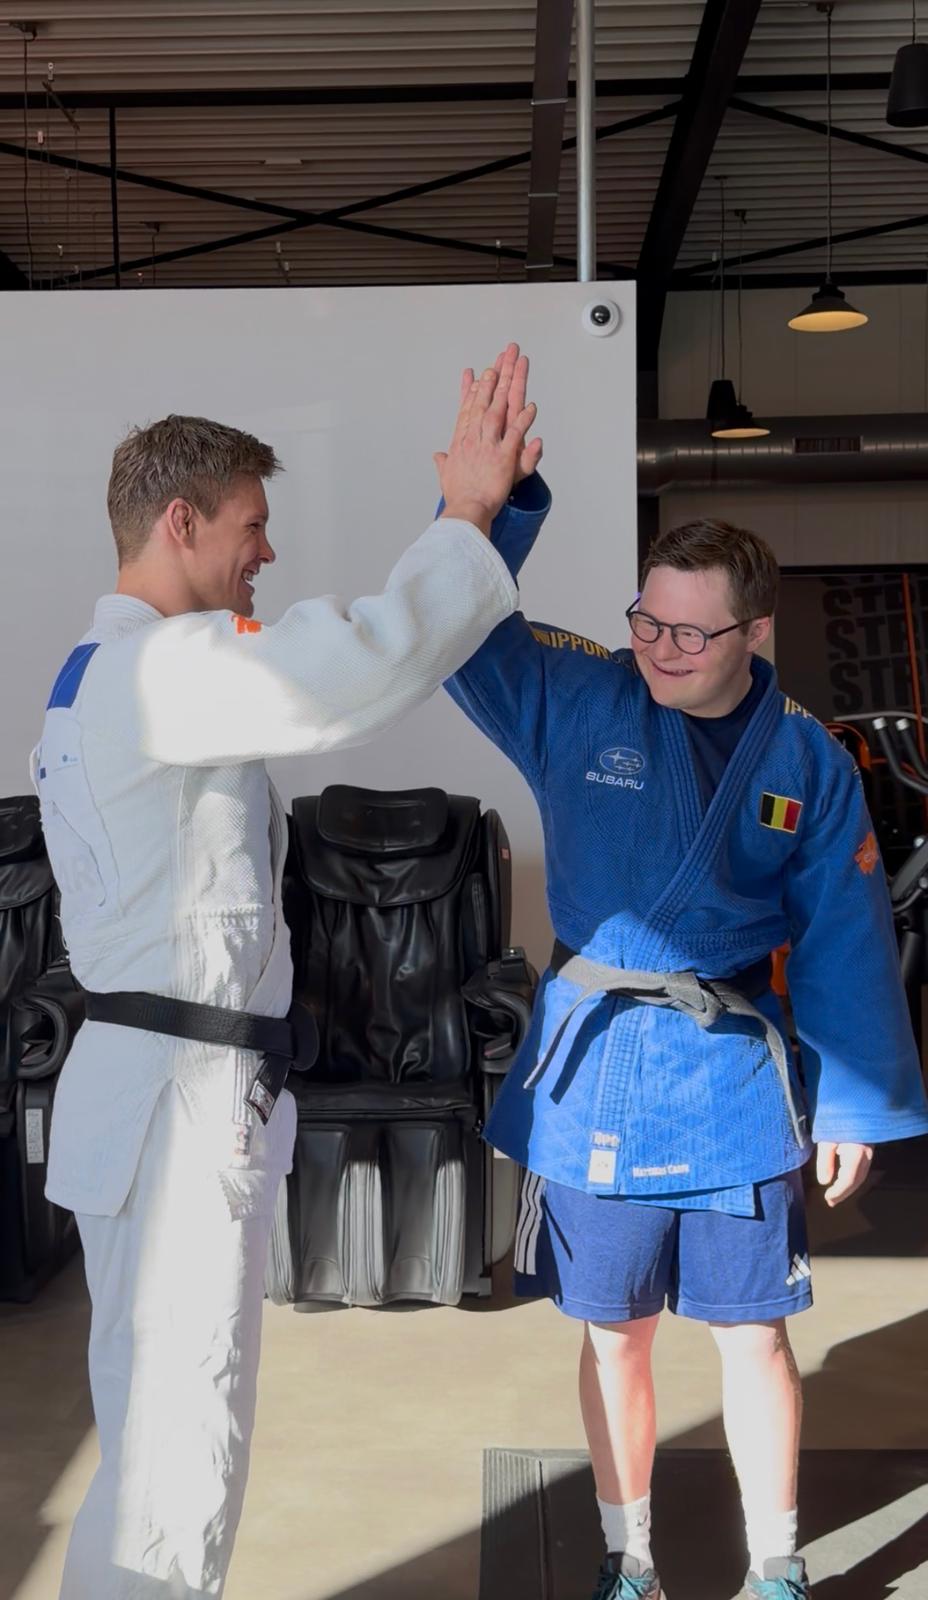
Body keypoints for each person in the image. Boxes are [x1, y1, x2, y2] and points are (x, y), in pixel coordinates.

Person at [33, 343, 542, 1599]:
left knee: (155, 1439)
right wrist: (465, 516)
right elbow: (347, 668)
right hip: (175, 1100)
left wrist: (482, 531)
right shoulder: (159, 671)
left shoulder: (99, 677)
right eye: (251, 526)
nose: (266, 553)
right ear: (180, 520)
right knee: (179, 1455)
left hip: (158, 1084)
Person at [445, 463, 928, 1600]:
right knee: (614, 1333)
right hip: (600, 1067)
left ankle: (774, 1565)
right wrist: (490, 510)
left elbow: (843, 934)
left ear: (755, 632)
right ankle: (630, 1560)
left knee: (754, 1333)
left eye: (694, 634)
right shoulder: (578, 697)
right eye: (647, 621)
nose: (661, 649)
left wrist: (851, 1106)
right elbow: (459, 635)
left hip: (730, 1076)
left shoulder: (805, 758)